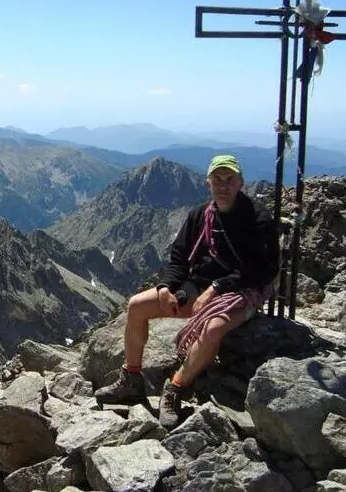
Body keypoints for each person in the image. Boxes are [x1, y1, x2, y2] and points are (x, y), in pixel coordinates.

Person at [93, 154, 280, 429]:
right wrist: (167, 287)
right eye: (217, 180)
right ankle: (132, 380)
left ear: (241, 183)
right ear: (208, 183)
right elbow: (179, 258)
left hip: (240, 293)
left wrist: (217, 288)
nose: (223, 186)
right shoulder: (199, 216)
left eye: (230, 180)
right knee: (136, 306)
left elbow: (260, 270)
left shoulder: (258, 220)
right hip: (198, 289)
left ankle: (176, 387)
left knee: (214, 329)